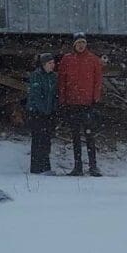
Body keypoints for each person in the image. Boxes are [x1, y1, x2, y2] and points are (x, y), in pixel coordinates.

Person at [58, 32, 103, 177]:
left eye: (83, 42)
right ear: (74, 45)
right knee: (75, 136)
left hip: (88, 103)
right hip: (72, 103)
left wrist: (95, 99)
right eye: (78, 43)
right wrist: (63, 100)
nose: (81, 45)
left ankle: (93, 166)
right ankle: (78, 166)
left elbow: (98, 81)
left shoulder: (93, 60)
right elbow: (62, 81)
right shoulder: (67, 59)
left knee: (90, 136)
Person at [27, 53, 58, 175]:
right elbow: (36, 95)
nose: (52, 65)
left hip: (48, 112)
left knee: (46, 140)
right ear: (44, 64)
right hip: (37, 112)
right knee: (38, 139)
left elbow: (54, 95)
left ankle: (45, 166)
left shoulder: (53, 77)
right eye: (50, 63)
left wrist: (52, 109)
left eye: (53, 63)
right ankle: (36, 167)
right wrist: (43, 110)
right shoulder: (36, 75)